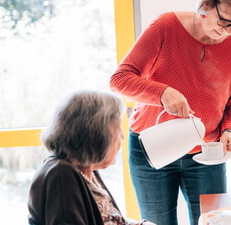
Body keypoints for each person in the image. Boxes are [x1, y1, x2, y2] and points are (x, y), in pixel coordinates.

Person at [110, 0, 231, 225]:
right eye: (225, 21)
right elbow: (119, 80)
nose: (228, 31)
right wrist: (162, 93)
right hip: (153, 150)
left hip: (207, 153)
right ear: (206, 5)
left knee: (213, 222)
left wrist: (230, 132)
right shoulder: (166, 27)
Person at [27, 90, 156, 225]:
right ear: (96, 135)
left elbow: (108, 218)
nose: (122, 137)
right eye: (118, 129)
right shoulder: (61, 175)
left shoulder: (86, 168)